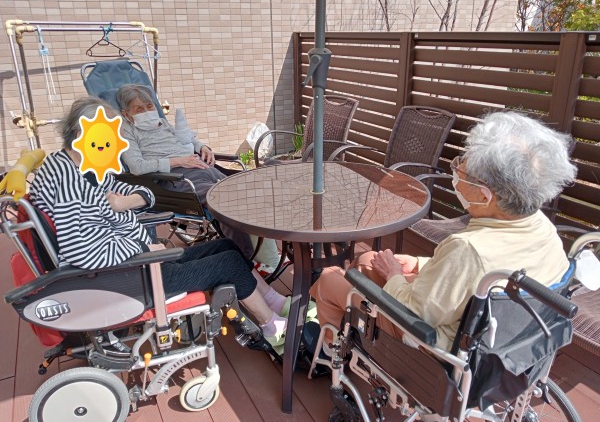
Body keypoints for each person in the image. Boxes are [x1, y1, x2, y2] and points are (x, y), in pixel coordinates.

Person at [29, 97, 291, 348]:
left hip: (138, 264)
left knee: (226, 247)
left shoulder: (79, 166)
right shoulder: (69, 184)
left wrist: (126, 202)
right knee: (228, 263)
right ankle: (272, 327)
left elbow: (145, 194)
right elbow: (80, 252)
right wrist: (142, 249)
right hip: (131, 278)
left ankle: (273, 301)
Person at [310, 111, 577, 352]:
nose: (457, 170)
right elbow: (470, 275)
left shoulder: (468, 249)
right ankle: (351, 329)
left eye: (463, 166)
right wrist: (418, 263)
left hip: (436, 344)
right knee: (368, 261)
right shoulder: (543, 227)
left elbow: (417, 312)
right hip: (498, 337)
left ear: (484, 195)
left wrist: (394, 274)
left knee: (329, 278)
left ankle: (333, 352)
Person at [116, 83, 282, 273]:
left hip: (201, 167)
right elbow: (137, 167)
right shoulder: (126, 132)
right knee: (226, 202)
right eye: (139, 109)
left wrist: (202, 147)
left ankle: (266, 257)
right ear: (127, 114)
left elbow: (187, 138)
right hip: (176, 179)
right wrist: (179, 161)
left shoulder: (162, 123)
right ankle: (247, 260)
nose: (147, 112)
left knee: (249, 192)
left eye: (149, 106)